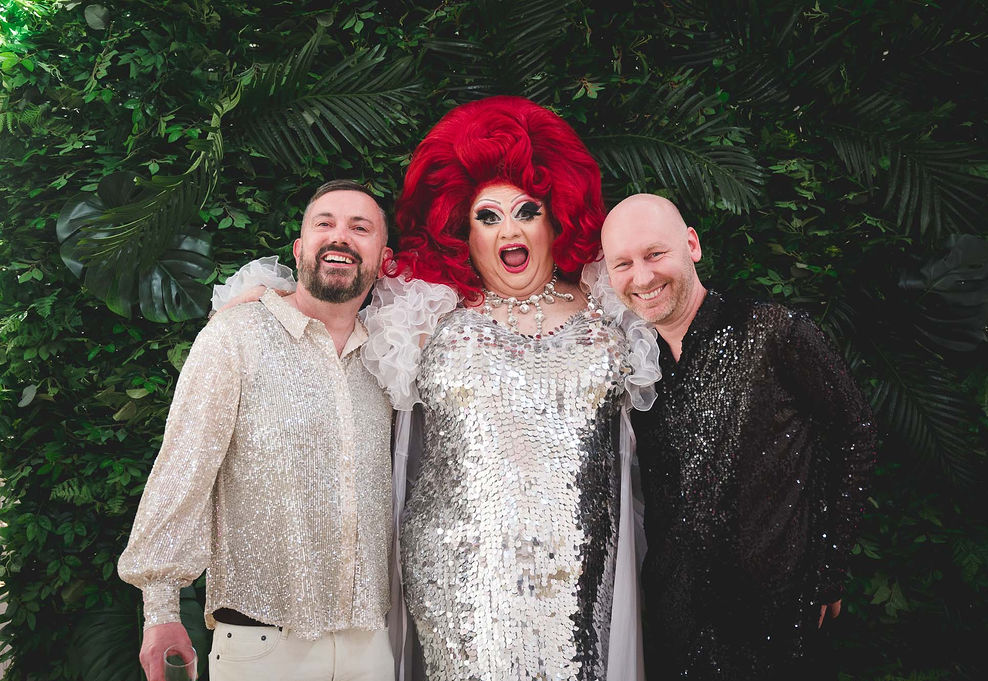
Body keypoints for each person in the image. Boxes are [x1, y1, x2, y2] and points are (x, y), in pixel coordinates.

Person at [220, 96, 657, 681]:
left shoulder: (614, 307)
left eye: (526, 209)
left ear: (555, 217)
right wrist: (261, 300)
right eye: (487, 216)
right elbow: (332, 317)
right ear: (462, 230)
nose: (509, 229)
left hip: (578, 566)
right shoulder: (426, 314)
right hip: (461, 572)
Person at [118, 180, 395, 681]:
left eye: (361, 228)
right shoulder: (236, 335)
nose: (341, 237)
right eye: (324, 224)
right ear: (300, 248)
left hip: (370, 645)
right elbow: (184, 470)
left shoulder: (390, 358)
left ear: (383, 257)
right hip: (262, 646)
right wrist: (160, 612)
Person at [600, 194, 876, 680]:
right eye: (623, 263)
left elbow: (855, 434)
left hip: (776, 620)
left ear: (692, 245)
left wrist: (828, 570)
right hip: (674, 623)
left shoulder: (774, 332)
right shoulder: (633, 369)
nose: (641, 278)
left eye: (655, 254)